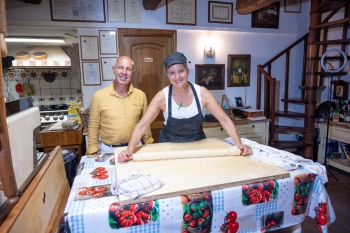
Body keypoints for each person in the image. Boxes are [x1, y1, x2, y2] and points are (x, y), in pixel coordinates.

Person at [118, 52, 252, 162]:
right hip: (168, 148)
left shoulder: (202, 93)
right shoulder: (162, 97)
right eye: (172, 73)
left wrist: (239, 145)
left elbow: (225, 120)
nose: (177, 77)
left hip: (197, 146)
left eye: (181, 71)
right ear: (167, 75)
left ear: (188, 71)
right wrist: (129, 150)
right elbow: (142, 125)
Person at [86, 56, 154, 156]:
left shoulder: (141, 95)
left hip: (135, 149)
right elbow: (93, 126)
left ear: (133, 73)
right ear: (114, 70)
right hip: (109, 151)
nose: (124, 72)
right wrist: (93, 150)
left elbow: (145, 123)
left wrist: (149, 144)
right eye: (120, 67)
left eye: (128, 69)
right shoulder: (98, 96)